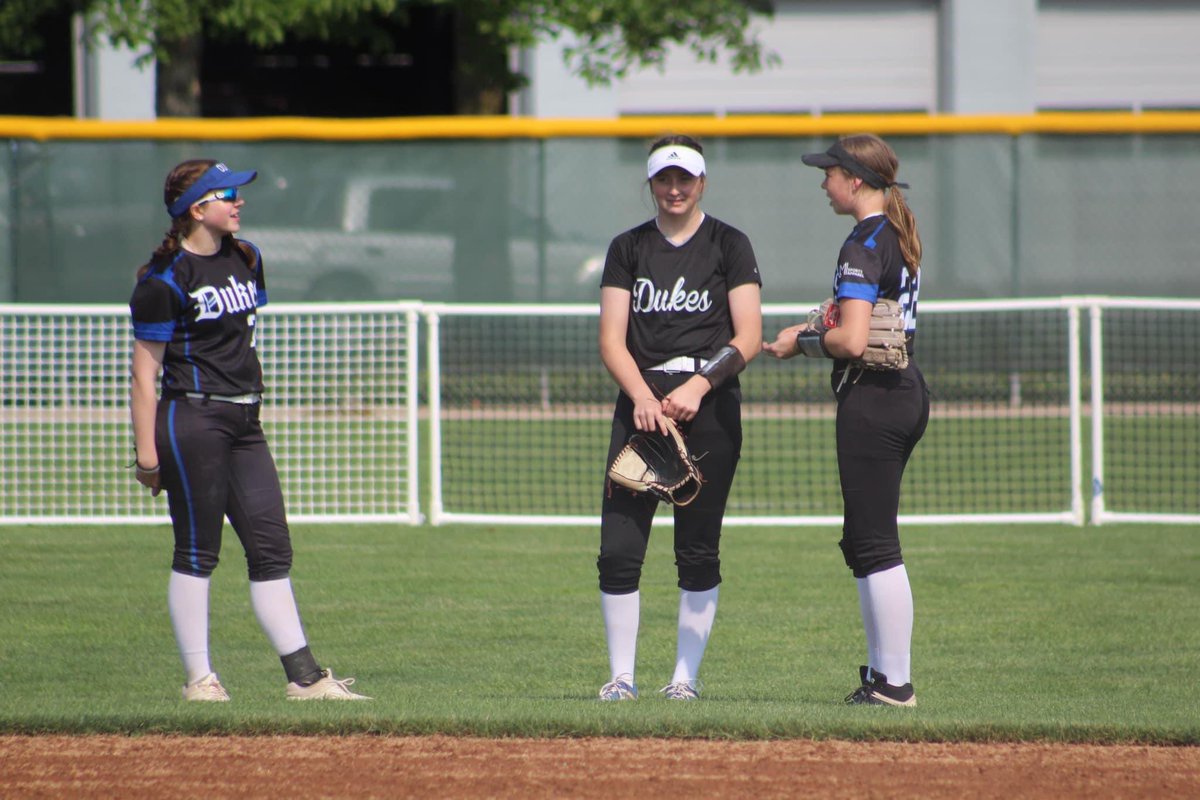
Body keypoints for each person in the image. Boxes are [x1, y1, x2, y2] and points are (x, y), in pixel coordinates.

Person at [129, 159, 369, 702]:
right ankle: (200, 680)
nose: (239, 202)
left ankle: (305, 678)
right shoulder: (164, 280)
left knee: (271, 547)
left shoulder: (246, 257)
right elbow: (145, 375)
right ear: (197, 208)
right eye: (228, 193)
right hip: (192, 417)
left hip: (244, 420)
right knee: (197, 550)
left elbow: (243, 340)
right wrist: (147, 457)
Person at [763, 134, 928, 706]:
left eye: (829, 171)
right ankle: (883, 679)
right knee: (862, 540)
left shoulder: (863, 241)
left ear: (854, 179)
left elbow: (855, 341)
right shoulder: (893, 232)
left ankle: (896, 683)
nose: (823, 181)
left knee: (876, 542)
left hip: (876, 399)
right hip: (901, 393)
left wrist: (801, 342)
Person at [597, 135, 763, 701]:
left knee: (697, 546)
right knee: (619, 547)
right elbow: (611, 340)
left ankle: (683, 680)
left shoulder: (728, 244)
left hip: (708, 403)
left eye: (684, 179)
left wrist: (699, 383)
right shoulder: (628, 247)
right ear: (650, 184)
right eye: (664, 179)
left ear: (702, 183)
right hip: (642, 405)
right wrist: (642, 396)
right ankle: (621, 677)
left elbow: (749, 337)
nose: (674, 189)